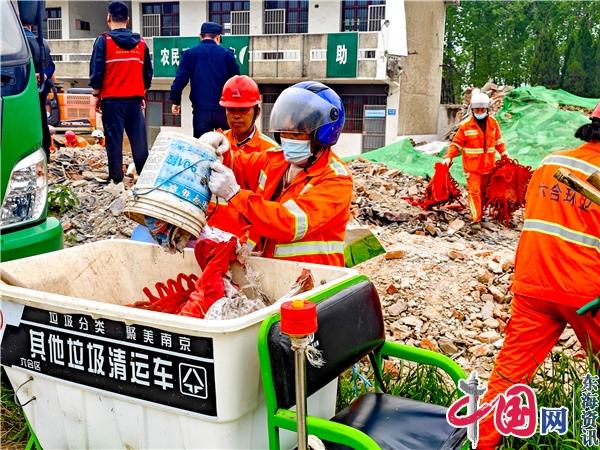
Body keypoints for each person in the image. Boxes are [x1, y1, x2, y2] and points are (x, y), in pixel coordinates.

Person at [477, 103, 600, 449]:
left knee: (508, 375)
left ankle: (479, 441)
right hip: (587, 293)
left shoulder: (551, 164)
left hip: (534, 284)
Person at [205, 81, 353, 267]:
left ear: (323, 135)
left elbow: (289, 223)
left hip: (312, 278)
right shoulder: (279, 160)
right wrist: (220, 148)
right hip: (269, 272)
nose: (288, 140)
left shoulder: (336, 180)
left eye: (297, 135)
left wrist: (236, 195)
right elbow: (240, 164)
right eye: (284, 132)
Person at [89, 1, 153, 189]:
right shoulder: (141, 43)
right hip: (134, 100)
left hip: (112, 101)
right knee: (139, 141)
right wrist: (142, 92)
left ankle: (116, 180)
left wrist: (95, 94)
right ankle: (146, 179)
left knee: (114, 140)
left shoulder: (104, 41)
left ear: (108, 18)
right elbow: (148, 73)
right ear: (128, 19)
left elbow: (97, 70)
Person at [206, 75, 278, 237]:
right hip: (211, 233)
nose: (236, 116)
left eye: (243, 110)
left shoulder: (270, 152)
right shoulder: (214, 143)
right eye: (231, 109)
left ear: (257, 112)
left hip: (247, 240)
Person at [442, 91, 508, 230]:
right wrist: (448, 157)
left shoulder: (493, 123)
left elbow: (498, 141)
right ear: (472, 110)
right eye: (477, 109)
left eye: (482, 109)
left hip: (488, 166)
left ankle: (481, 214)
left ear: (487, 110)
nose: (480, 112)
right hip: (472, 168)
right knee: (474, 192)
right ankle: (475, 219)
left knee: (484, 192)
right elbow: (456, 144)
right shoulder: (466, 126)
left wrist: (504, 153)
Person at [169, 22, 240, 138]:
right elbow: (236, 81)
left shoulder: (190, 54)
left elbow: (180, 79)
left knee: (202, 148)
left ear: (200, 37)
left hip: (201, 112)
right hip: (223, 111)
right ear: (218, 37)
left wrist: (175, 101)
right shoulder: (227, 55)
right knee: (225, 147)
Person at [22, 20, 54, 158]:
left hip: (21, 89)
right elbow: (51, 65)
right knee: (41, 120)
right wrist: (43, 75)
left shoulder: (16, 42)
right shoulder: (43, 43)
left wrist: (31, 75)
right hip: (41, 90)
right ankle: (45, 153)